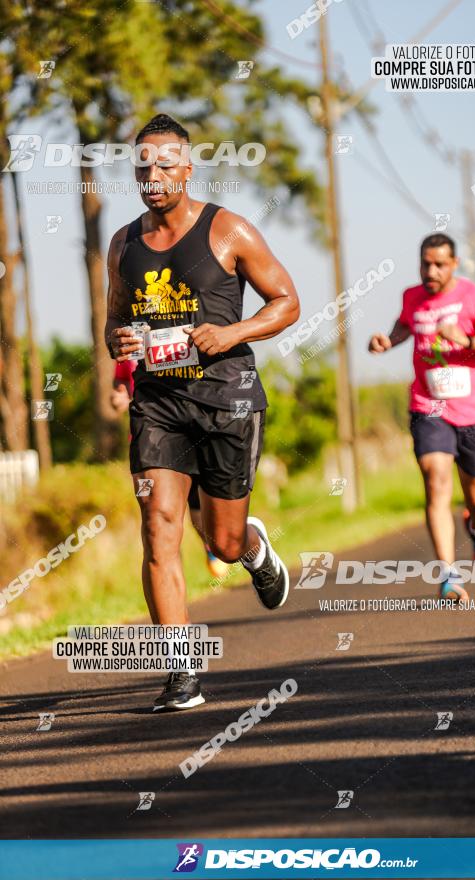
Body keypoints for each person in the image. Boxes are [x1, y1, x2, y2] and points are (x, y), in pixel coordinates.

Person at [105, 114, 299, 711]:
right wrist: (120, 343)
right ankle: (181, 672)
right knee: (158, 527)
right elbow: (114, 322)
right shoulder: (123, 243)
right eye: (143, 164)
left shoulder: (228, 230)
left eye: (165, 164)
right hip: (158, 405)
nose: (153, 175)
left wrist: (231, 332)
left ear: (188, 168)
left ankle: (254, 549)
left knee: (222, 540)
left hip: (226, 399)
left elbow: (287, 302)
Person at [368, 234, 475, 602]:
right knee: (436, 480)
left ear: (454, 264)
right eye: (425, 263)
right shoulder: (411, 296)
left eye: (439, 264)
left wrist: (468, 341)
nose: (430, 271)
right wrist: (389, 340)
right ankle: (449, 575)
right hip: (428, 406)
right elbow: (406, 325)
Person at [111, 359, 230, 580]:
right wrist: (120, 397)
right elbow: (121, 382)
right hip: (151, 440)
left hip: (191, 430)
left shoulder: (181, 330)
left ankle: (213, 544)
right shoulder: (127, 343)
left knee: (198, 515)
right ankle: (172, 586)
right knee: (159, 518)